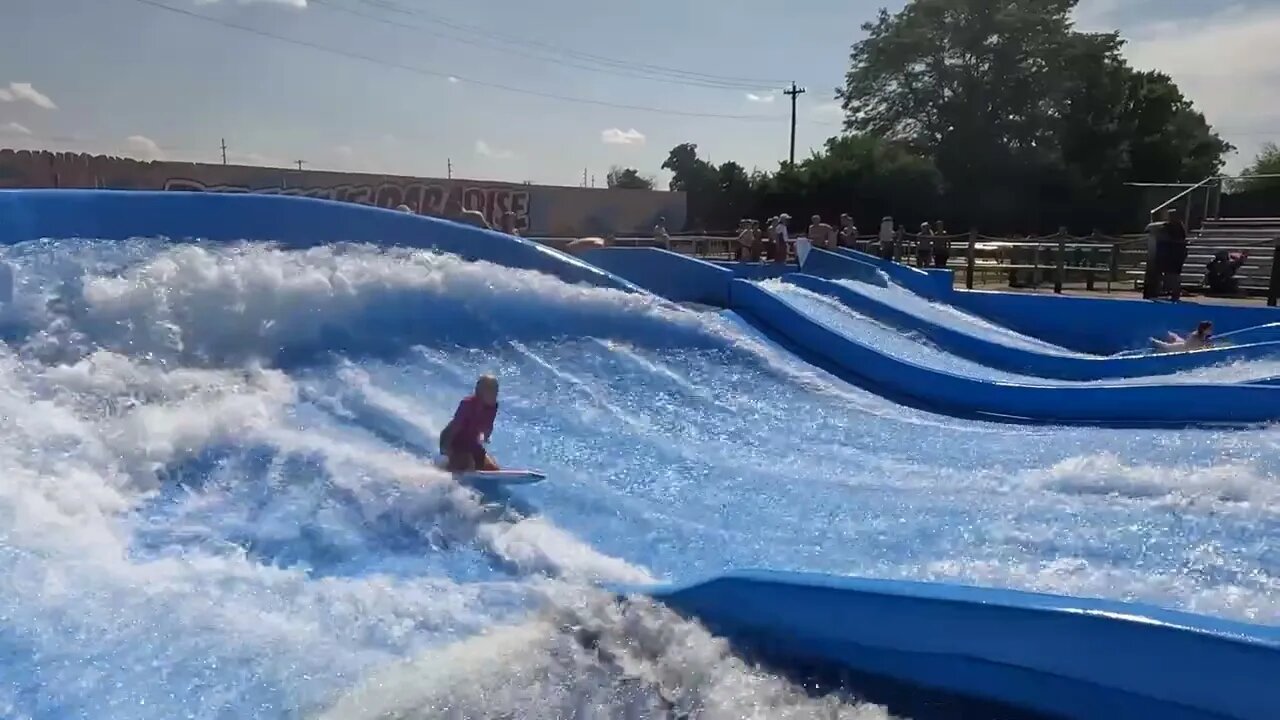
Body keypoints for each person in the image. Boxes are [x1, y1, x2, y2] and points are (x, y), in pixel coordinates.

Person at [439, 375, 501, 473]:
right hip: (455, 441)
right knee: (467, 463)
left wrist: (486, 437)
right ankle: (443, 468)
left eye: (496, 390)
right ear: (480, 392)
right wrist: (446, 448)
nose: (496, 394)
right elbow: (454, 427)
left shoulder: (492, 407)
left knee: (493, 469)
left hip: (471, 443)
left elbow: (489, 425)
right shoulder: (467, 405)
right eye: (492, 390)